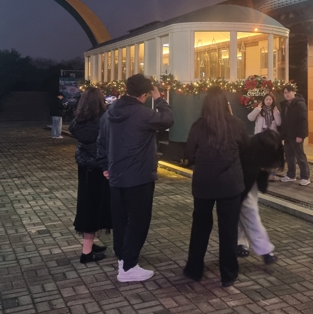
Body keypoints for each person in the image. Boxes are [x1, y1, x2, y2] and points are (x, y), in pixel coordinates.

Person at [97, 74, 174, 283]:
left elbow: (101, 141)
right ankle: (128, 267)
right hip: (139, 176)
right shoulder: (144, 114)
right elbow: (168, 119)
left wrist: (104, 166)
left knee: (120, 220)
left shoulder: (110, 112)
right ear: (144, 95)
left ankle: (123, 258)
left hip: (116, 176)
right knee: (138, 221)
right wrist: (159, 98)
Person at [184, 87, 249, 287]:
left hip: (203, 184)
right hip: (230, 185)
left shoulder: (198, 125)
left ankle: (194, 269)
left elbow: (189, 153)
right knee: (228, 230)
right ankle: (228, 274)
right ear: (225, 104)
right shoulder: (236, 124)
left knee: (200, 227)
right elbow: (246, 151)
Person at [69, 87, 112, 264]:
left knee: (87, 205)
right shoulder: (104, 120)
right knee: (96, 208)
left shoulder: (78, 121)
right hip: (101, 168)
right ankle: (86, 252)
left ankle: (89, 244)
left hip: (85, 166)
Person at [236, 129, 283, 264]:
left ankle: (241, 243)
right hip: (242, 182)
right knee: (250, 213)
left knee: (245, 212)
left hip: (242, 182)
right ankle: (264, 249)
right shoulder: (258, 151)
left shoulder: (255, 148)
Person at [280, 85, 310, 185]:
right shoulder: (285, 105)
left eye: (289, 92)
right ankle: (291, 175)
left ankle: (305, 177)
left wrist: (300, 135)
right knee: (289, 156)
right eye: (285, 93)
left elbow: (303, 121)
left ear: (294, 92)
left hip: (296, 135)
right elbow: (284, 121)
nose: (287, 94)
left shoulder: (300, 104)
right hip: (287, 135)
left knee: (300, 156)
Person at [247, 93, 281, 181]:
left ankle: (272, 174)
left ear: (272, 101)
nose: (268, 101)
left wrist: (276, 113)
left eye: (270, 99)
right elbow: (250, 118)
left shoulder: (275, 110)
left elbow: (279, 123)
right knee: (261, 154)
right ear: (264, 100)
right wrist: (257, 110)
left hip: (271, 135)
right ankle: (261, 174)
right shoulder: (259, 110)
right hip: (261, 134)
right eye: (267, 99)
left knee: (271, 154)